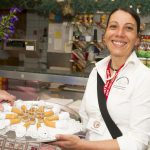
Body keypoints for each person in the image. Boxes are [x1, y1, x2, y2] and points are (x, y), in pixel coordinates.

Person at [44, 7, 150, 150]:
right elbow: (84, 119)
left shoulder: (144, 78)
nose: (119, 33)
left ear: (137, 39)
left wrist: (82, 145)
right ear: (105, 35)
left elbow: (137, 142)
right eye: (113, 26)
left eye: (128, 28)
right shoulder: (97, 70)